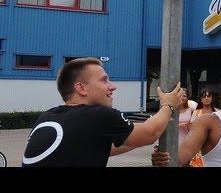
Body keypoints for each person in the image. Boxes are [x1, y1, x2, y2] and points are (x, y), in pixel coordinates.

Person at [22, 57, 182, 167]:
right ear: (81, 88)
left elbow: (102, 147)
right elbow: (149, 133)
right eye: (104, 80)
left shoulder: (47, 116)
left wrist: (143, 135)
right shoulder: (98, 114)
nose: (113, 86)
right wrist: (168, 105)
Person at [188, 88, 219, 167]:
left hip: (215, 143)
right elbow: (192, 128)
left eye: (209, 96)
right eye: (204, 97)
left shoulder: (217, 112)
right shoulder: (196, 112)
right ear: (201, 99)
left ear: (212, 98)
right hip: (200, 144)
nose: (206, 98)